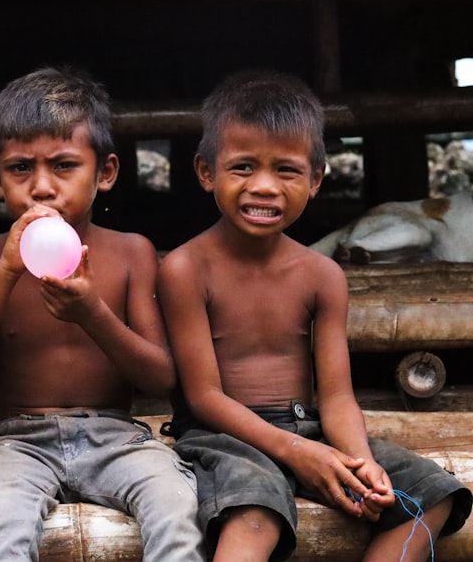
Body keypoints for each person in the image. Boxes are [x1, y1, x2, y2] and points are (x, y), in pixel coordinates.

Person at [156, 69, 472, 561]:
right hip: (225, 438)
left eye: (286, 170)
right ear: (206, 172)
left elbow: (338, 394)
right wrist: (298, 453)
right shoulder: (184, 269)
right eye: (242, 167)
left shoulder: (322, 276)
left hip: (314, 428)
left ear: (316, 179)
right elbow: (203, 397)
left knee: (432, 496)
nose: (264, 187)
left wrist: (359, 463)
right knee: (254, 513)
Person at [0, 67, 205, 561]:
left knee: (175, 502)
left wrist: (93, 314)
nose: (41, 187)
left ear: (104, 173)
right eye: (20, 169)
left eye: (64, 166)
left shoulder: (131, 253)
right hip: (19, 442)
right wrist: (4, 273)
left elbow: (160, 377)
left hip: (117, 438)